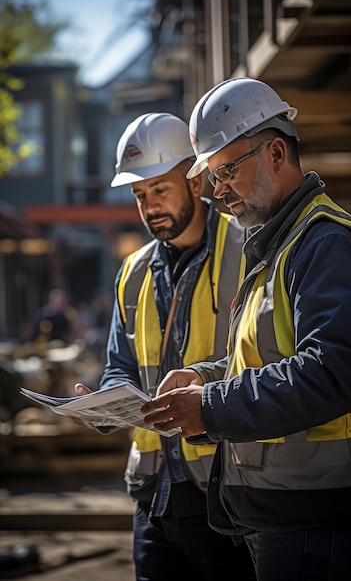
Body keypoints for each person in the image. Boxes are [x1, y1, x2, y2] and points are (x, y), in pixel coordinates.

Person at [141, 79, 351, 581]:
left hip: (316, 522)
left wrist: (211, 407)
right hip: (282, 516)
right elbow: (267, 361)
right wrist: (203, 376)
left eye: (227, 169)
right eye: (213, 176)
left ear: (276, 152)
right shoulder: (278, 247)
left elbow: (332, 370)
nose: (218, 190)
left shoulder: (323, 244)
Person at [75, 112, 255, 581]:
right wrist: (102, 404)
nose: (149, 206)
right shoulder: (131, 271)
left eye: (159, 189)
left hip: (228, 492)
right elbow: (120, 369)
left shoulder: (248, 251)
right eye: (139, 195)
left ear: (194, 182)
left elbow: (265, 364)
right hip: (154, 497)